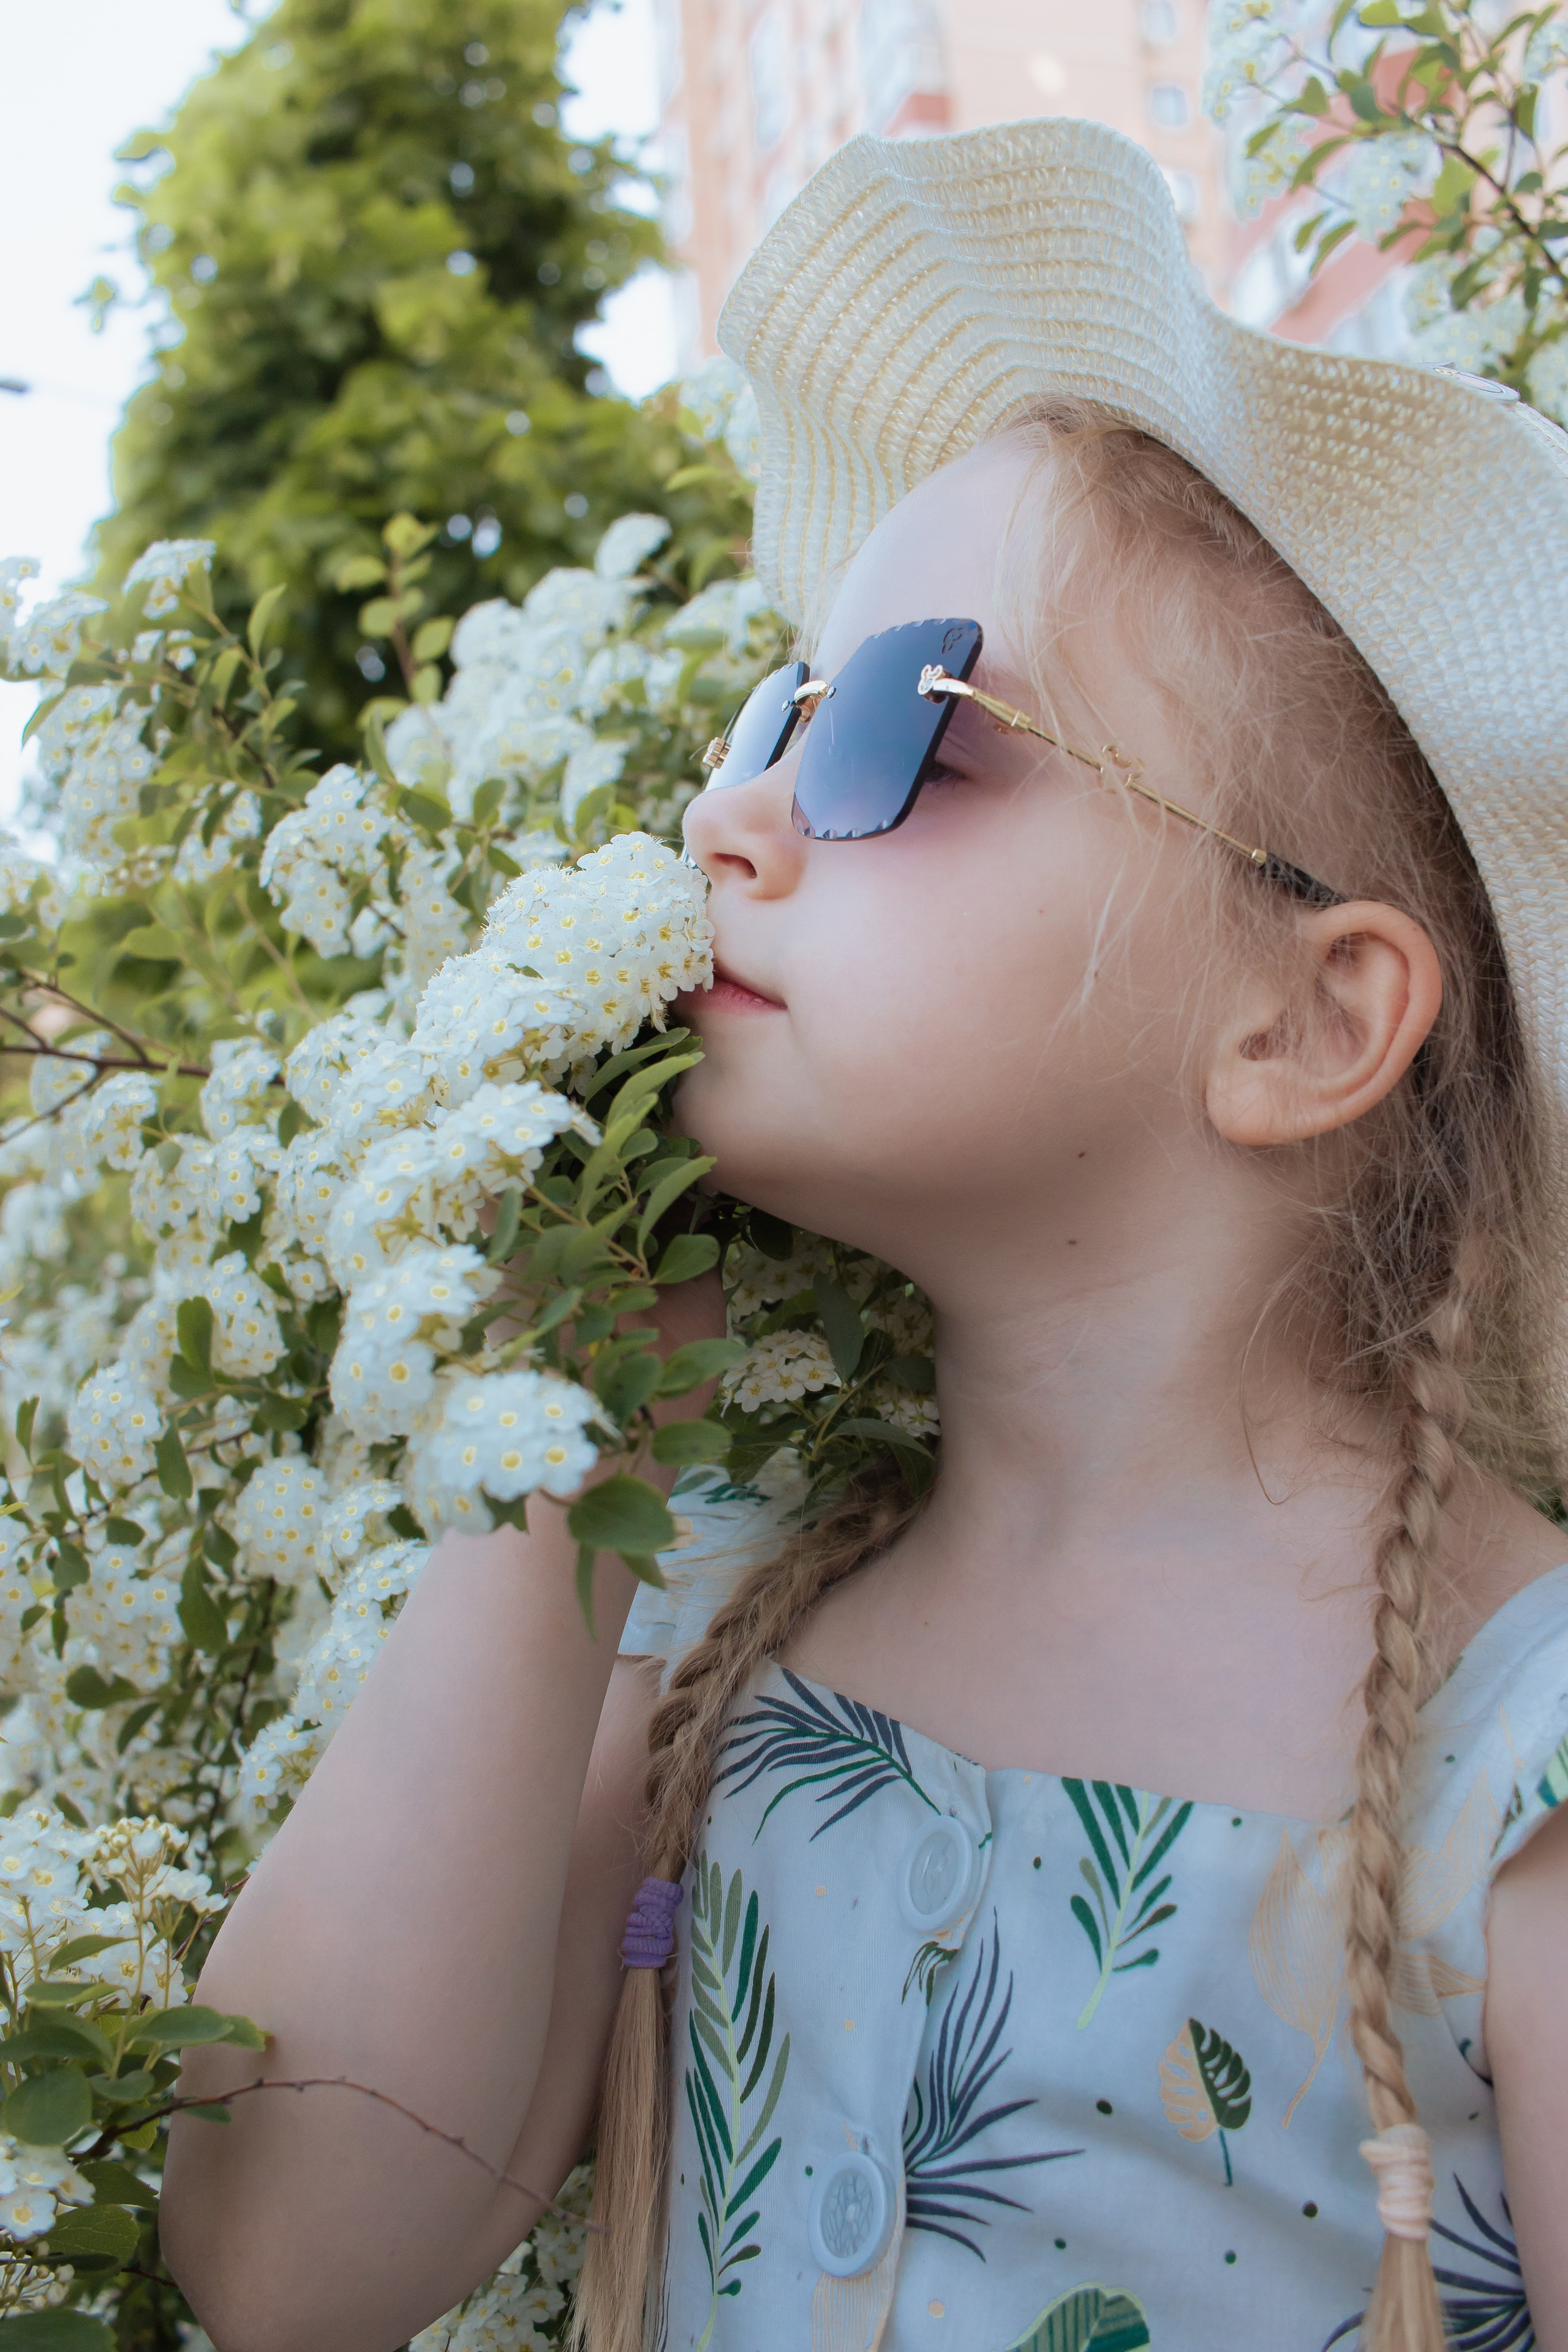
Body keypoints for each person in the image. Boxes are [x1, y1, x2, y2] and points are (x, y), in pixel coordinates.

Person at [161, 119, 1568, 2352]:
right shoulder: (725, 1642)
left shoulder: (1519, 1758)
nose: (726, 813)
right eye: (769, 719)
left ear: (1308, 1022)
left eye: (902, 731)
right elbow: (285, 2262)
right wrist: (565, 1450)